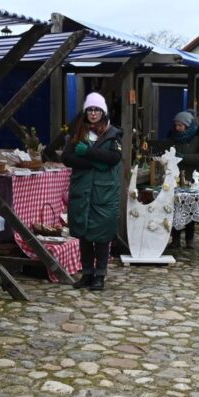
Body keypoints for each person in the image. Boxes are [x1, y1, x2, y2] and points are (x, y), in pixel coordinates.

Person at [63, 92, 123, 291]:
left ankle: (100, 276)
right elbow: (67, 158)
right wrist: (94, 162)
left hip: (103, 193)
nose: (93, 113)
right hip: (82, 189)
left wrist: (88, 152)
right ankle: (87, 273)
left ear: (103, 112)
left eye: (97, 109)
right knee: (84, 233)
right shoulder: (78, 131)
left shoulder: (113, 134)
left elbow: (113, 158)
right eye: (90, 109)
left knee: (102, 235)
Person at [168, 110, 199, 248]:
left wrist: (184, 157)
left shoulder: (198, 138)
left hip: (192, 179)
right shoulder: (173, 137)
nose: (177, 128)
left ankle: (189, 238)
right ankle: (175, 239)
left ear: (187, 125)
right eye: (176, 125)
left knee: (190, 208)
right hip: (176, 178)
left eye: (180, 125)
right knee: (175, 208)